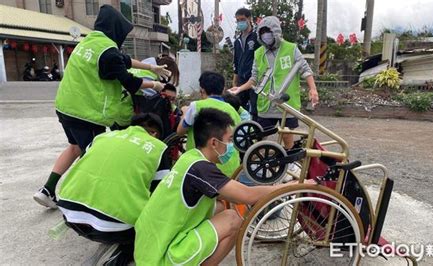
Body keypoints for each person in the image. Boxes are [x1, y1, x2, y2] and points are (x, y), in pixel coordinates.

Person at [134, 108, 315, 265]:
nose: (231, 146)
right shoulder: (201, 168)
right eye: (228, 140)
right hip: (161, 257)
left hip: (148, 248)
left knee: (221, 206)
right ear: (214, 142)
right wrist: (295, 185)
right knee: (233, 219)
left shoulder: (190, 158)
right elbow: (249, 195)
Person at [33, 4, 171, 208]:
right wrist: (156, 84)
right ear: (115, 29)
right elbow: (131, 83)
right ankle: (84, 201)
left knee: (75, 147)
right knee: (94, 157)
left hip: (65, 107)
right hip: (85, 113)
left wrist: (151, 67)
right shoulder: (108, 53)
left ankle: (47, 190)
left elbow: (124, 60)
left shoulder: (90, 42)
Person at [57, 113, 167, 265]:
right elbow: (160, 196)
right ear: (155, 133)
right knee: (156, 219)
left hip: (69, 214)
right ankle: (119, 256)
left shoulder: (102, 137)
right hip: (115, 228)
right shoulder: (158, 148)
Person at [229, 16, 319, 150]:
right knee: (260, 135)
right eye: (262, 33)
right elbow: (254, 79)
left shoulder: (291, 49)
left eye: (268, 32)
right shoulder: (259, 53)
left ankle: (290, 161)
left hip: (286, 104)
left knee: (287, 133)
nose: (266, 36)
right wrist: (240, 89)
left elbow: (305, 69)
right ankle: (256, 160)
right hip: (266, 103)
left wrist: (313, 89)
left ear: (276, 32)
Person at [176, 72, 241, 177]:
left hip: (201, 167)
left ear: (202, 90)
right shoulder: (232, 109)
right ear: (223, 89)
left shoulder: (196, 106)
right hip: (230, 168)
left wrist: (184, 113)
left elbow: (180, 132)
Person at [233, 7, 260, 119]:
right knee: (239, 107)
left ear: (249, 19)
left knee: (254, 108)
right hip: (241, 80)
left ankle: (256, 132)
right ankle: (243, 131)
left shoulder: (257, 37)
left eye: (242, 19)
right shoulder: (237, 41)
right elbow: (236, 62)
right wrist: (235, 80)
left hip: (255, 80)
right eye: (238, 20)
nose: (240, 22)